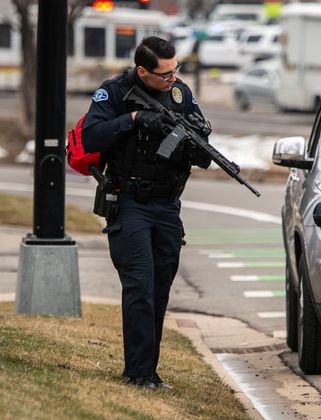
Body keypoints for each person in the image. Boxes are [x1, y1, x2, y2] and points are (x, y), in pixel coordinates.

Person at [82, 36, 208, 389]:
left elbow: (201, 140)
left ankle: (148, 370)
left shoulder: (181, 94)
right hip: (130, 201)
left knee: (160, 286)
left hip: (167, 205)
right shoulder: (115, 93)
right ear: (143, 71)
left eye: (175, 71)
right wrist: (135, 119)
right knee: (140, 284)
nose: (172, 79)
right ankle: (138, 373)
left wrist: (197, 143)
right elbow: (91, 137)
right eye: (165, 74)